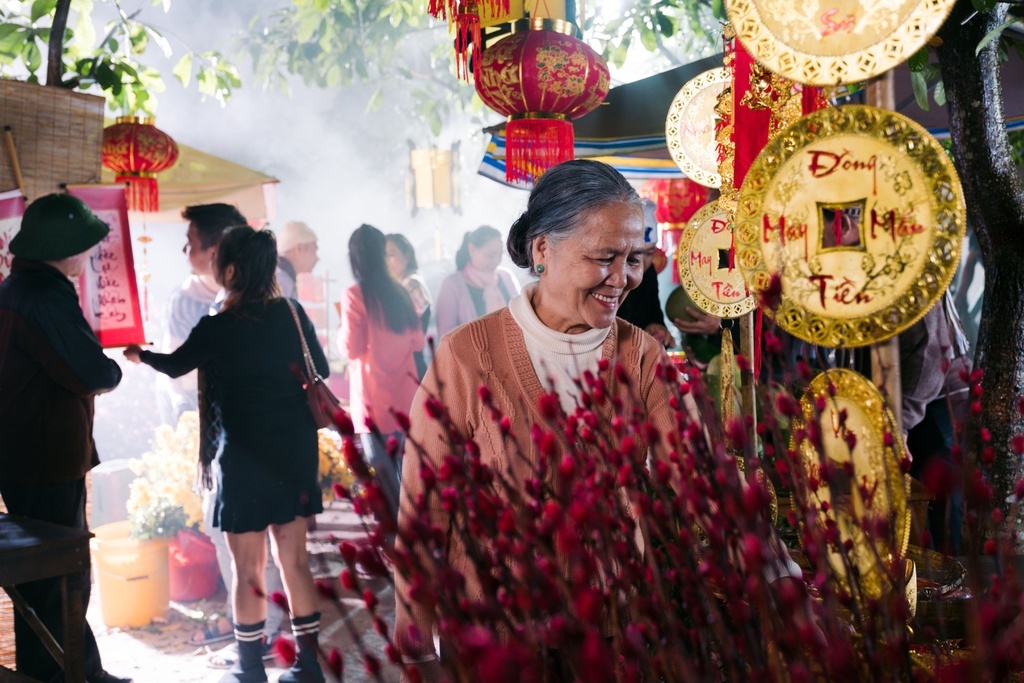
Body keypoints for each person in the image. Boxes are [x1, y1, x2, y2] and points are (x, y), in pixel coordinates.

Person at [393, 161, 799, 681]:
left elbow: (702, 475)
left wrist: (778, 571)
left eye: (634, 259)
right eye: (604, 257)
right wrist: (415, 648)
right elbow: (423, 508)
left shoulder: (640, 355)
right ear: (543, 249)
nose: (623, 278)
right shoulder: (467, 356)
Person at [125, 227, 327, 683]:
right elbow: (320, 368)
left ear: (231, 270)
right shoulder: (291, 313)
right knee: (295, 562)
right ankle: (309, 667)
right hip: (294, 452)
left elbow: (175, 365)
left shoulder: (216, 326)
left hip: (243, 460)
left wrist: (141, 355)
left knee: (247, 568)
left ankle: (249, 669)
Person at [0, 193, 130, 683]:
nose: (88, 254)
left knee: (45, 580)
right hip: (45, 459)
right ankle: (66, 676)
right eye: (84, 245)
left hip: (25, 455)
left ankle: (73, 672)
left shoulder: (17, 288)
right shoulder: (43, 297)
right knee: (61, 576)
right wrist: (113, 369)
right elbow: (88, 371)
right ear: (65, 249)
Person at [339, 225, 424, 523]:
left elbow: (350, 347)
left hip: (373, 400)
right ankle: (418, 531)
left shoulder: (354, 295)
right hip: (406, 398)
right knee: (410, 474)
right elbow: (417, 341)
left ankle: (398, 538)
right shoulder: (400, 292)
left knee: (385, 480)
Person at [157, 203, 247, 424]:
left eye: (190, 243)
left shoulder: (252, 296)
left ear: (215, 251)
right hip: (197, 413)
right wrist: (182, 406)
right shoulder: (185, 300)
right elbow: (174, 364)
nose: (184, 250)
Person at [434, 225, 519, 337]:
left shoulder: (505, 276)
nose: (496, 261)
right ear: (472, 250)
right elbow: (445, 334)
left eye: (500, 255)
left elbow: (522, 314)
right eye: (491, 255)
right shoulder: (452, 284)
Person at [617, 199, 673, 347]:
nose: (642, 262)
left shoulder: (649, 273)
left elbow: (654, 316)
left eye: (649, 253)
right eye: (635, 254)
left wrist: (657, 329)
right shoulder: (608, 277)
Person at [386, 233, 433, 379]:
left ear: (407, 256)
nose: (386, 261)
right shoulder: (399, 285)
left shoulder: (411, 285)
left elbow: (406, 330)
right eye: (383, 255)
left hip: (411, 366)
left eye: (391, 254)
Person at [276, 220, 319, 299]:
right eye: (314, 251)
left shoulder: (279, 275)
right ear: (299, 249)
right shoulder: (282, 281)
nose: (317, 258)